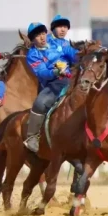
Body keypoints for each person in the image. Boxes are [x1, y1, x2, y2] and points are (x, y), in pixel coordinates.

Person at [23, 22, 79, 153]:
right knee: (40, 102)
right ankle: (32, 136)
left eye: (43, 33)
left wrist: (86, 54)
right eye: (37, 36)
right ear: (32, 40)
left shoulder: (57, 43)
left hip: (72, 79)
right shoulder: (32, 55)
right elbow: (42, 72)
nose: (42, 37)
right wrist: (56, 72)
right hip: (53, 83)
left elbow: (73, 53)